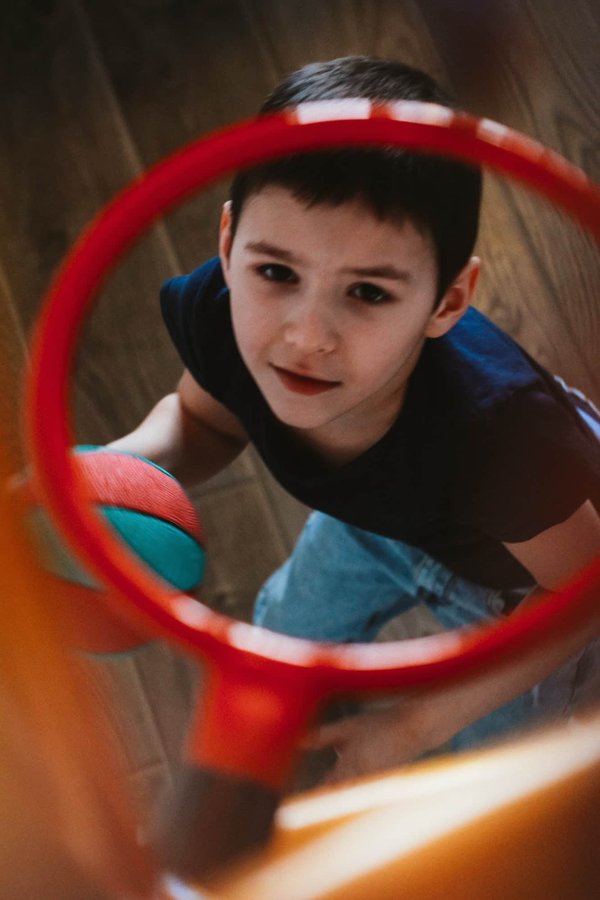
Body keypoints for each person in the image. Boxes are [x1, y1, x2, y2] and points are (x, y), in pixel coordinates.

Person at [109, 56, 600, 784]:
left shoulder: (504, 437)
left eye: (367, 292)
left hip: (528, 576)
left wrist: (411, 723)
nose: (305, 336)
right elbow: (200, 420)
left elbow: (580, 588)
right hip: (381, 520)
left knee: (496, 759)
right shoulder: (221, 313)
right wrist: (107, 471)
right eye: (276, 272)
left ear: (447, 302)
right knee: (282, 629)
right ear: (228, 243)